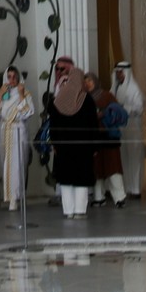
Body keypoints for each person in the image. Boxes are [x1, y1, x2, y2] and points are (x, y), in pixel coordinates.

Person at [49, 61, 98, 216]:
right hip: (82, 148)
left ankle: (68, 211)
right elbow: (93, 125)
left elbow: (53, 126)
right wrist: (94, 146)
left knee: (66, 181)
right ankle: (79, 210)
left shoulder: (58, 100)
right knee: (80, 181)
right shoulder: (87, 100)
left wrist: (55, 144)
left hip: (64, 148)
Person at [0, 68, 35, 210]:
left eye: (15, 77)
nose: (12, 80)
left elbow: (28, 112)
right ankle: (9, 196)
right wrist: (0, 95)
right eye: (9, 77)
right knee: (6, 164)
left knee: (17, 164)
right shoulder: (2, 93)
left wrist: (21, 95)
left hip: (18, 131)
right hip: (4, 131)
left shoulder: (26, 93)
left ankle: (15, 198)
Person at [89, 72, 130, 204]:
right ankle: (98, 197)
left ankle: (119, 197)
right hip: (95, 138)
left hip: (109, 136)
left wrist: (103, 113)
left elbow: (117, 111)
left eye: (90, 81)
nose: (88, 84)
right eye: (86, 82)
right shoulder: (84, 98)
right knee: (97, 168)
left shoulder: (107, 95)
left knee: (113, 167)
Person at [113, 62, 146, 201]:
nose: (118, 74)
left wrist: (123, 106)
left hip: (133, 128)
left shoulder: (134, 89)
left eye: (121, 72)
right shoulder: (115, 88)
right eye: (117, 72)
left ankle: (136, 189)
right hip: (121, 129)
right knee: (123, 157)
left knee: (134, 158)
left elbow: (139, 108)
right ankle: (126, 187)